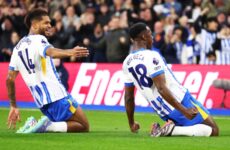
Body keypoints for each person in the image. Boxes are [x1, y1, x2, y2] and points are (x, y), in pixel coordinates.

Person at [122, 22, 219, 137]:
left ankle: (170, 128)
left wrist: (131, 123)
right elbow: (162, 88)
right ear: (143, 37)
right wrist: (184, 110)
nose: (152, 37)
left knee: (193, 129)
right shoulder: (152, 55)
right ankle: (172, 130)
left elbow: (128, 97)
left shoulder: (127, 62)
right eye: (150, 34)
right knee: (213, 130)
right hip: (180, 100)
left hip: (162, 111)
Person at [6, 8, 90, 133]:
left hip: (42, 103)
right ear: (34, 25)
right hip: (57, 96)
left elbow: (10, 79)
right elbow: (50, 52)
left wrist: (13, 105)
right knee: (83, 126)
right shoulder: (39, 39)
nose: (49, 26)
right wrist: (71, 52)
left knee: (65, 124)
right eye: (45, 23)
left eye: (50, 23)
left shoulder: (17, 48)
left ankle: (38, 124)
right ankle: (47, 126)